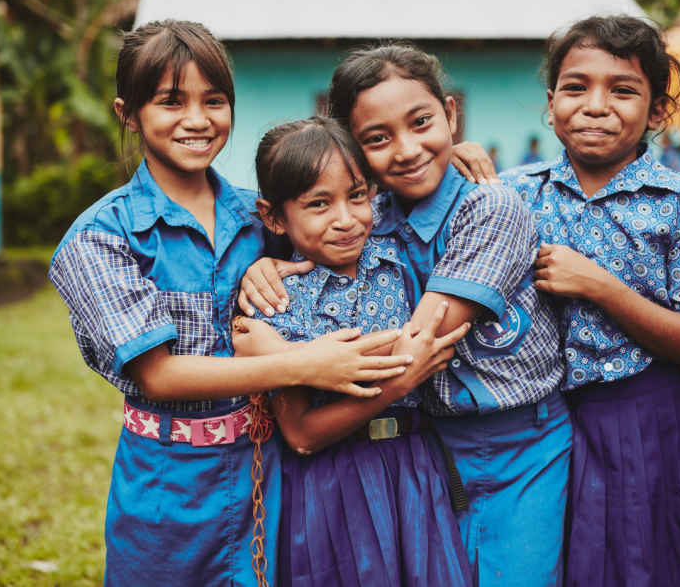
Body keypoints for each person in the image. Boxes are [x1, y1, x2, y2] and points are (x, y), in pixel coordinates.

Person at [48, 20, 415, 587]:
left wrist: (460, 157)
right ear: (128, 113)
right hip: (166, 489)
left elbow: (373, 210)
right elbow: (160, 375)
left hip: (274, 476)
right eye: (171, 101)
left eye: (213, 100)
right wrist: (307, 363)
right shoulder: (100, 237)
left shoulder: (264, 215)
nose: (197, 119)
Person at [241, 45, 572, 586]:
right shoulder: (372, 220)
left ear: (451, 113)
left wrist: (273, 354)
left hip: (519, 444)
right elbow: (291, 214)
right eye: (377, 138)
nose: (408, 149)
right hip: (428, 449)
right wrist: (262, 280)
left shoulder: (492, 207)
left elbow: (417, 344)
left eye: (422, 122)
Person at [500, 15, 680, 587]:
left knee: (673, 554)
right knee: (572, 559)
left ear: (657, 112)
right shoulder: (513, 195)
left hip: (662, 417)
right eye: (576, 87)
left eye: (622, 90)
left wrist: (600, 286)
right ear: (551, 104)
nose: (596, 105)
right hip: (549, 425)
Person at [234, 116, 473, 587]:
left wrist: (467, 152)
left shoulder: (398, 256)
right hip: (332, 484)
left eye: (357, 196)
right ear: (274, 217)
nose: (346, 219)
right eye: (319, 204)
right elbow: (300, 433)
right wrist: (397, 385)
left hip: (413, 471)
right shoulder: (279, 303)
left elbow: (428, 181)